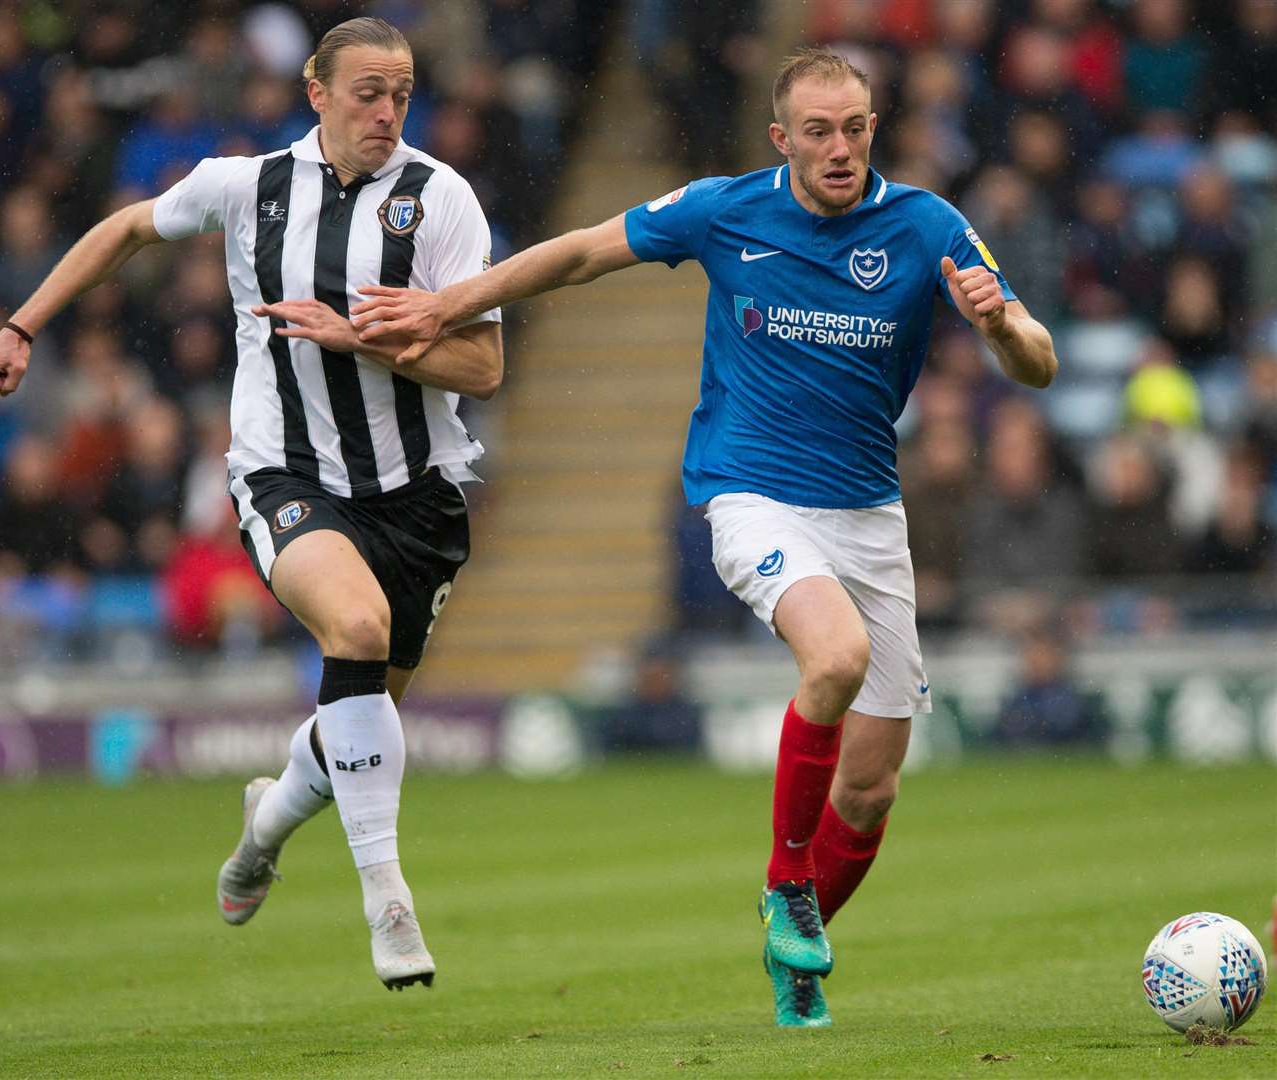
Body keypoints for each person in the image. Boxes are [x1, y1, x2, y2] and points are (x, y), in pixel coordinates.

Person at [346, 47, 1058, 1027]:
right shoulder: (727, 210)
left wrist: (999, 328)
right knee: (835, 658)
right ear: (781, 138)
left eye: (853, 128)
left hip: (867, 517)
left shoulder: (927, 226)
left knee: (870, 787)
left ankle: (791, 942)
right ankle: (789, 885)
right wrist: (448, 301)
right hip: (750, 496)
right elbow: (581, 252)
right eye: (817, 131)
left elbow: (1038, 364)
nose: (839, 148)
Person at [0, 17, 503, 992]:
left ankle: (264, 824)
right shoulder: (245, 187)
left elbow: (485, 364)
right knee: (355, 624)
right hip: (283, 473)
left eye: (401, 94)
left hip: (417, 494)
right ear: (315, 92)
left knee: (360, 719)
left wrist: (364, 339)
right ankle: (387, 898)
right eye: (366, 94)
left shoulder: (441, 201)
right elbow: (128, 227)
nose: (387, 113)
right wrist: (21, 327)